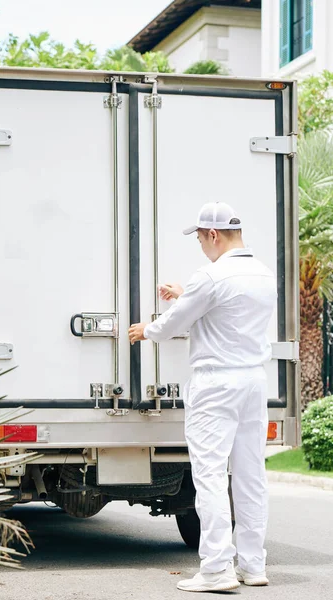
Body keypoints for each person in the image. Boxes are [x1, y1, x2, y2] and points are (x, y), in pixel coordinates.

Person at [128, 202, 276, 593]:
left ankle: (216, 570)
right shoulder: (263, 274)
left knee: (209, 476)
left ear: (213, 235)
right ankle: (253, 564)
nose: (200, 247)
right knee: (250, 477)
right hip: (252, 382)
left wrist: (149, 330)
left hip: (216, 384)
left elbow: (177, 323)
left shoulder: (210, 276)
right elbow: (223, 311)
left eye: (199, 239)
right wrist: (185, 294)